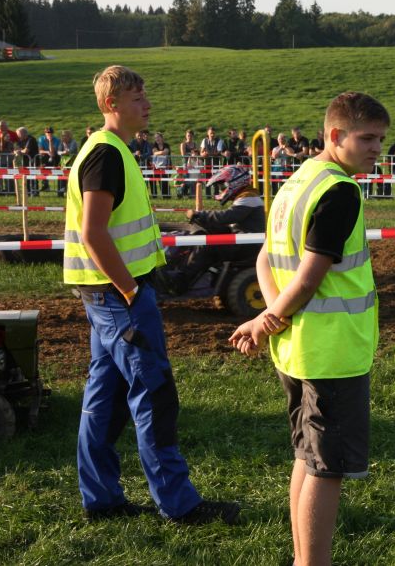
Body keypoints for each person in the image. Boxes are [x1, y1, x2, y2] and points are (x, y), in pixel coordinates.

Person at [64, 65, 239, 525]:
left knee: (104, 397)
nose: (147, 103)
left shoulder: (112, 150)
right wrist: (128, 289)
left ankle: (101, 499)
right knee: (153, 396)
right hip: (120, 296)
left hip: (106, 295)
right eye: (137, 96)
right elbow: (93, 232)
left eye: (145, 94)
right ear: (110, 105)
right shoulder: (106, 155)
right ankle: (179, 506)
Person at [229, 92, 389, 566]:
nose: (377, 148)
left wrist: (267, 318)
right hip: (331, 353)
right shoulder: (339, 190)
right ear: (335, 135)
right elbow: (309, 276)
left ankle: (303, 559)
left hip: (296, 350)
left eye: (381, 139)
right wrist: (266, 319)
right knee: (328, 467)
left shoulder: (298, 179)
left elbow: (264, 258)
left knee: (307, 456)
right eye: (367, 138)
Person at [166, 165, 264, 292]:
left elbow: (226, 217)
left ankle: (181, 281)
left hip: (247, 244)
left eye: (223, 185)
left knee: (206, 245)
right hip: (243, 239)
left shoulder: (250, 197)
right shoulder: (248, 196)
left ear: (236, 181)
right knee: (206, 232)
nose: (221, 189)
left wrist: (200, 214)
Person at [14, 127, 40, 197]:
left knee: (33, 177)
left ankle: (35, 192)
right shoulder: (20, 140)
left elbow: (26, 151)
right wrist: (18, 151)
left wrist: (19, 151)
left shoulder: (31, 139)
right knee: (26, 177)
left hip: (33, 161)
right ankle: (27, 192)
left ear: (24, 133)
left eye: (19, 134)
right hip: (25, 161)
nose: (18, 136)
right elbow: (16, 149)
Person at [56, 130, 79, 197]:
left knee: (70, 177)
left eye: (65, 136)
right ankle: (60, 191)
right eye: (63, 136)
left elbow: (70, 151)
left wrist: (63, 152)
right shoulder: (61, 142)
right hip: (64, 161)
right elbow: (58, 152)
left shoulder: (73, 142)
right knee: (61, 175)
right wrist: (63, 152)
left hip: (72, 161)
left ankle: (70, 191)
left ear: (69, 136)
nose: (64, 137)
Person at [150, 132, 172, 199]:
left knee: (164, 182)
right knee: (154, 180)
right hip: (156, 167)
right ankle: (155, 196)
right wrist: (162, 153)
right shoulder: (154, 145)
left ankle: (166, 197)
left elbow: (166, 152)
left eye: (158, 137)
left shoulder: (166, 145)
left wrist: (159, 153)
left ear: (162, 138)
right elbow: (155, 152)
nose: (157, 139)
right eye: (155, 138)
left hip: (166, 167)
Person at [178, 128, 199, 198]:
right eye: (188, 135)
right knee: (186, 179)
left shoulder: (195, 144)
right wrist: (191, 155)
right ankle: (181, 192)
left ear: (193, 136)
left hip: (193, 164)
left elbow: (196, 154)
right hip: (186, 164)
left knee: (193, 179)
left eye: (191, 136)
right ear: (186, 136)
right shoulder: (183, 144)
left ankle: (192, 194)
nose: (189, 137)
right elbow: (183, 154)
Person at [38, 126, 58, 192]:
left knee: (58, 170)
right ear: (45, 133)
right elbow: (40, 150)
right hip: (44, 157)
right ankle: (45, 185)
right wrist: (47, 152)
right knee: (43, 168)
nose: (49, 134)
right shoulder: (41, 139)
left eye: (50, 132)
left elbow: (52, 151)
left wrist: (50, 141)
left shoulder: (56, 140)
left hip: (54, 157)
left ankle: (61, 187)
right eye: (47, 132)